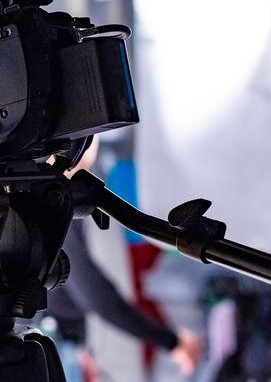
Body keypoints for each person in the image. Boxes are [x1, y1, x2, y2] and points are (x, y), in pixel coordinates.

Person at [44, 136, 203, 381]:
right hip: (59, 350)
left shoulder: (59, 198)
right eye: (92, 134)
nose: (95, 140)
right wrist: (172, 343)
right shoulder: (52, 206)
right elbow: (99, 298)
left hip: (67, 345)